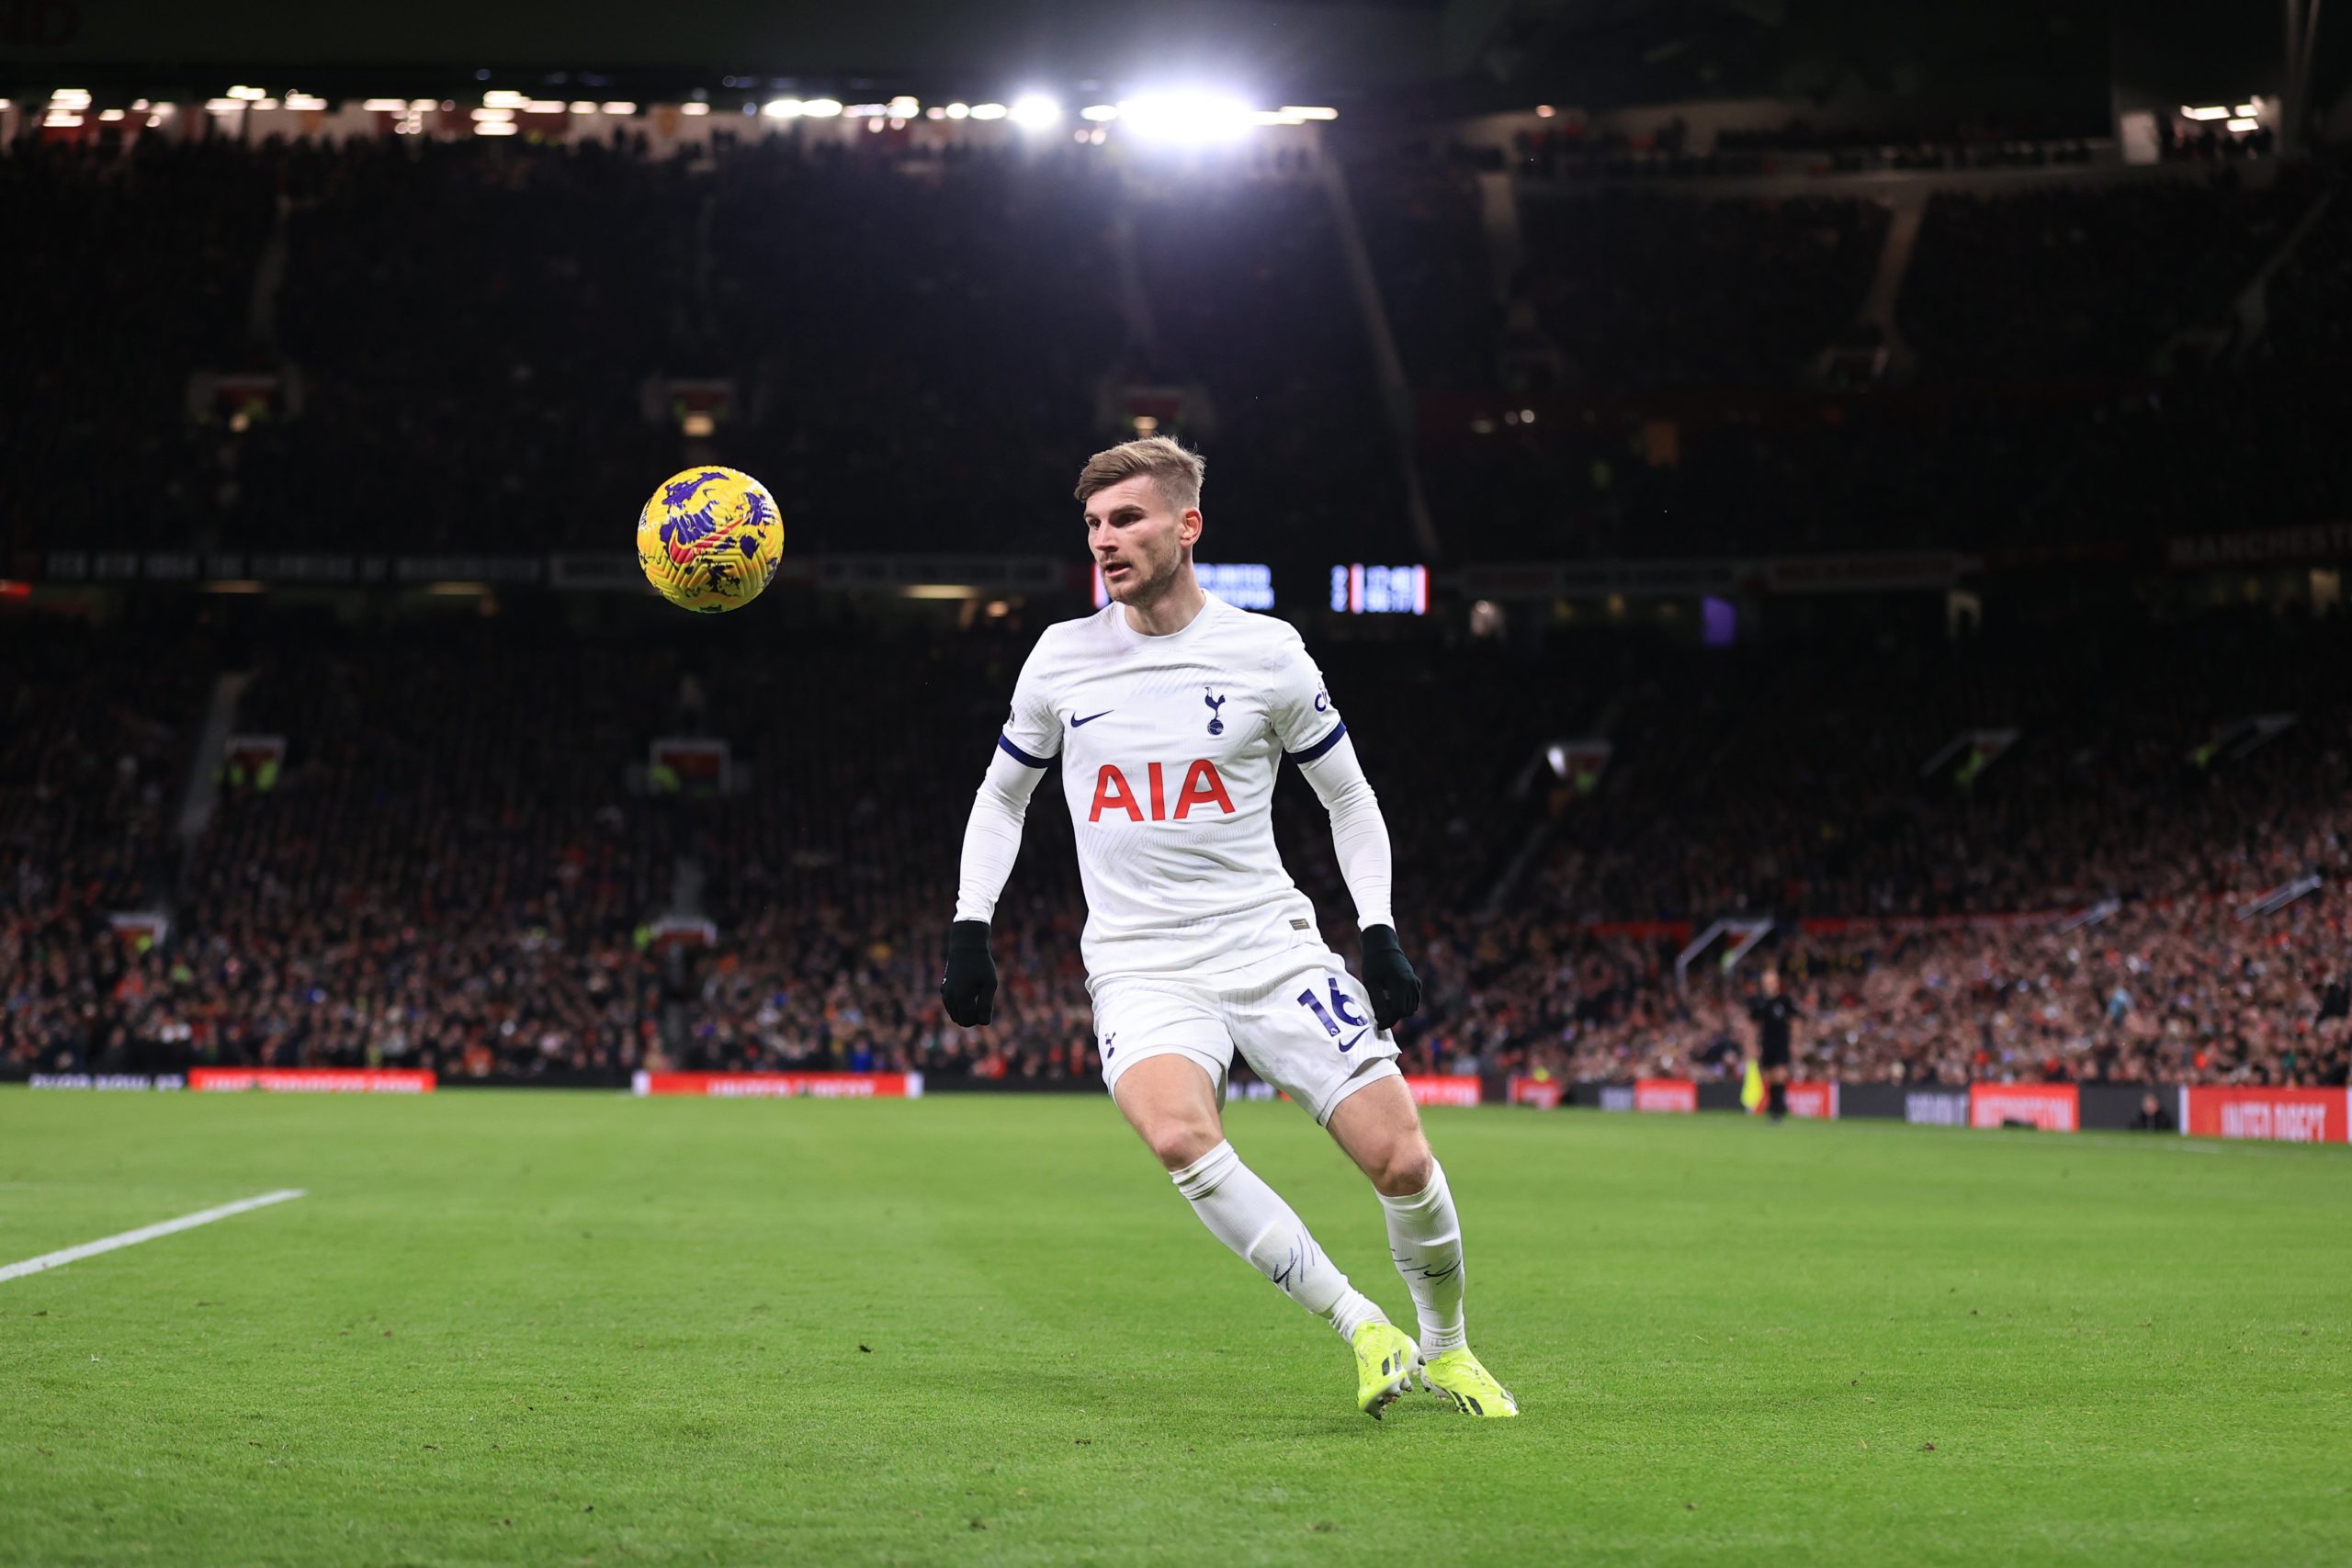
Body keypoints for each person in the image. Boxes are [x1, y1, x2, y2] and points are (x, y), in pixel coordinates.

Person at [939, 436, 1516, 1420]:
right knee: (1178, 1134)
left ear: (1187, 526)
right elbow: (1001, 798)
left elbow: (1349, 797)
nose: (1104, 540)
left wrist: (1378, 928)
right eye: (1093, 523)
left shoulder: (1267, 652)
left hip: (1269, 947)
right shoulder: (1060, 658)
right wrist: (968, 924)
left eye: (1127, 518)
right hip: (1140, 965)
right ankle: (1361, 1327)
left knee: (1403, 1160)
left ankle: (1449, 1347)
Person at [1747, 966, 1802, 1122]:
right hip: (1766, 1042)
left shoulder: (1784, 1000)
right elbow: (1753, 1024)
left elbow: (1795, 1021)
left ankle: (1778, 1109)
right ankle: (1775, 1105)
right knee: (1769, 1076)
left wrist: (1795, 1041)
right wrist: (1752, 1045)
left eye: (1771, 980)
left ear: (1776, 982)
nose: (1768, 983)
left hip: (1781, 1042)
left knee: (1779, 1074)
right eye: (1766, 981)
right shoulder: (1759, 1001)